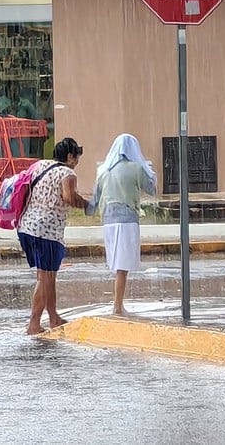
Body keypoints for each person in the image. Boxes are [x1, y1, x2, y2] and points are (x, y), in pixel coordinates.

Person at [17, 138, 88, 335]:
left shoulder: (40, 165)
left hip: (27, 226)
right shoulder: (67, 172)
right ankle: (34, 323)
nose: (77, 162)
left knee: (47, 276)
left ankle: (53, 317)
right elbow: (68, 197)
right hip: (46, 232)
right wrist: (87, 204)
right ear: (69, 156)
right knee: (45, 276)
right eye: (76, 157)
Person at [86, 133, 156, 315]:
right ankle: (117, 306)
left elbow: (94, 201)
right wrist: (149, 172)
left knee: (118, 264)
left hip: (108, 221)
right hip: (127, 220)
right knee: (122, 267)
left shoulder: (103, 170)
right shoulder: (135, 168)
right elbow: (152, 189)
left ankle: (118, 304)